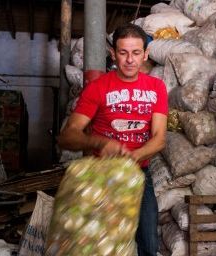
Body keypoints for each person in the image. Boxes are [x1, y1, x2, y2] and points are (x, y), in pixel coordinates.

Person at [58, 23, 168, 256]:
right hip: (102, 177)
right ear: (113, 54)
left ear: (146, 54)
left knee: (148, 245)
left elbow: (159, 139)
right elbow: (67, 136)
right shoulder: (97, 88)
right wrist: (98, 143)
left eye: (136, 53)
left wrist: (132, 158)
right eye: (123, 52)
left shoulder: (156, 88)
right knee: (101, 246)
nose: (130, 60)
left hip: (139, 175)